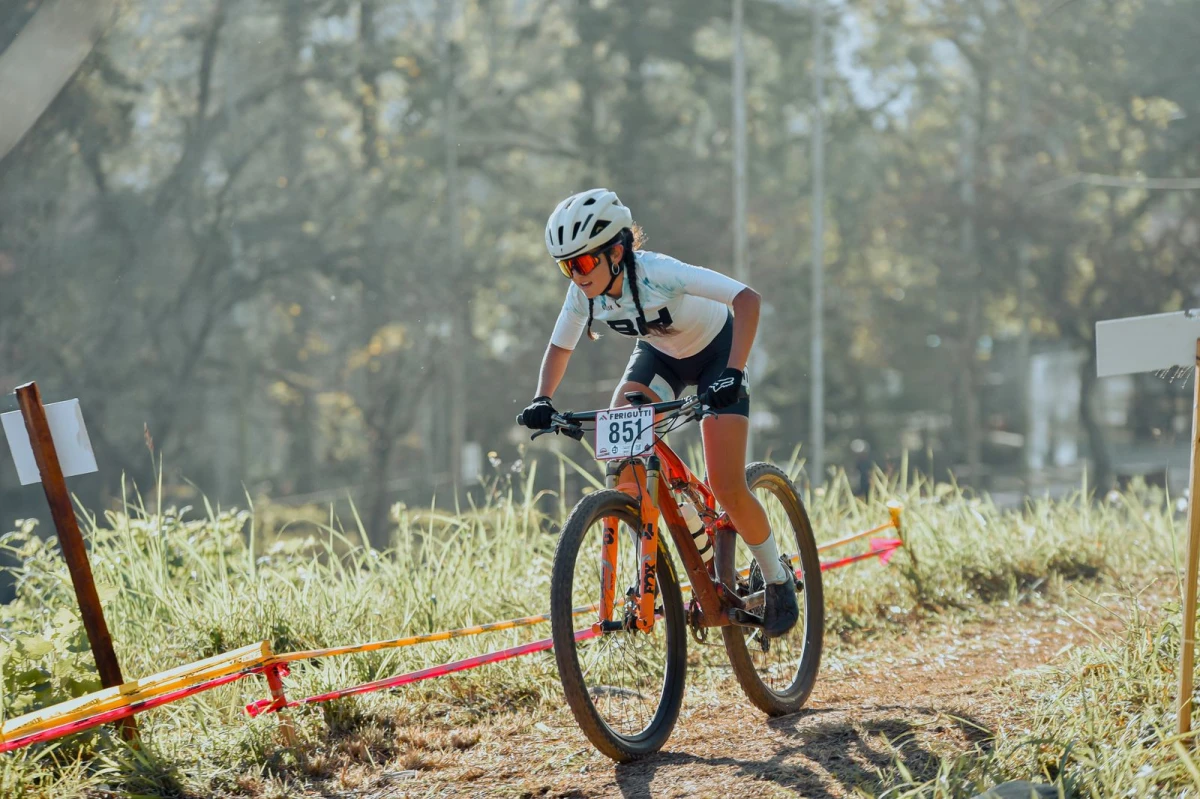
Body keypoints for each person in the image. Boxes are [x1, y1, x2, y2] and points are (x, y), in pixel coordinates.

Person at [517, 188, 798, 637]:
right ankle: (660, 559)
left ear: (616, 250)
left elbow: (747, 299)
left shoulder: (658, 272)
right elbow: (559, 347)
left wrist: (734, 371)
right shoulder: (583, 296)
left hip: (717, 356)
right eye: (566, 266)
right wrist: (542, 399)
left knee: (726, 483)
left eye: (584, 263)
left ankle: (778, 575)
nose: (576, 276)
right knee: (622, 461)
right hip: (660, 356)